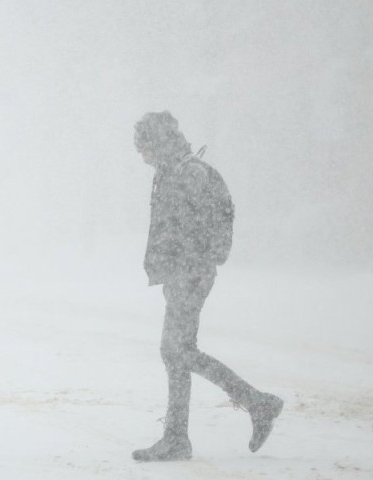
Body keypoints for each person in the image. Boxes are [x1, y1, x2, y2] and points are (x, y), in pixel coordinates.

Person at [131, 111, 282, 462]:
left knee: (177, 350)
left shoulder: (190, 174)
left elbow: (204, 226)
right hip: (181, 274)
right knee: (177, 351)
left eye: (145, 148)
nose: (143, 157)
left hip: (190, 274)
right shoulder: (174, 171)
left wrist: (187, 265)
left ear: (159, 143)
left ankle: (254, 404)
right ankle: (180, 436)